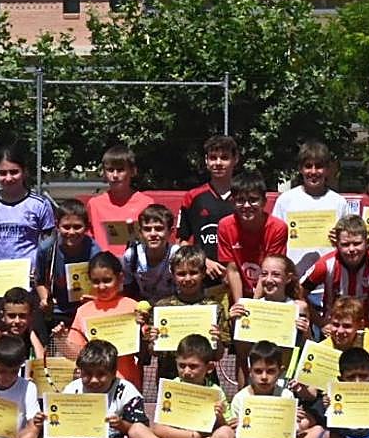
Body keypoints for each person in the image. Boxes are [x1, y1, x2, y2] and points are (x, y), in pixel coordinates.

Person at [0, 145, 54, 318]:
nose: (8, 178)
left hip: (28, 285)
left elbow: (49, 250)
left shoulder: (40, 205)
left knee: (27, 332)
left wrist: (42, 278)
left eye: (14, 172)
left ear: (25, 172)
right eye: (2, 173)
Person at [130, 333, 232, 438]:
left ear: (209, 368)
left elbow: (226, 431)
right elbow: (159, 430)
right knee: (136, 430)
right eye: (182, 366)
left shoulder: (216, 392)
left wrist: (219, 417)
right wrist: (195, 435)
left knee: (226, 434)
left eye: (193, 366)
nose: (186, 371)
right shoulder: (171, 388)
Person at [60, 339, 150, 438]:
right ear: (80, 371)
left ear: (113, 373)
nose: (94, 380)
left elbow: (141, 428)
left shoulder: (127, 391)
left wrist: (121, 424)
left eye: (101, 374)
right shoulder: (72, 389)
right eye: (88, 374)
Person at [66, 252, 151, 391]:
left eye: (107, 280)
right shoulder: (83, 311)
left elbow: (145, 354)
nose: (101, 286)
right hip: (94, 384)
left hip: (127, 383)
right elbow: (76, 353)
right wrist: (60, 338)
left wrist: (141, 332)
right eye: (96, 281)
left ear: (120, 278)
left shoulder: (133, 306)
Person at [229, 340, 320, 438]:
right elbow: (238, 434)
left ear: (280, 371)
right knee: (236, 437)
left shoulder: (286, 395)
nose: (264, 377)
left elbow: (290, 432)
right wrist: (240, 425)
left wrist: (295, 420)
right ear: (250, 371)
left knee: (317, 431)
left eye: (270, 371)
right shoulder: (240, 398)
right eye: (258, 371)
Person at [272, 140, 351, 282]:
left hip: (329, 280)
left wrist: (339, 239)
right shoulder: (285, 200)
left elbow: (349, 243)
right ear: (300, 169)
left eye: (319, 166)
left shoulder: (339, 202)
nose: (313, 172)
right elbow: (274, 241)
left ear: (327, 169)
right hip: (294, 280)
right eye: (308, 166)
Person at [149, 245, 229, 382]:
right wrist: (153, 341)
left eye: (193, 272)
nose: (187, 278)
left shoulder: (214, 308)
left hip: (205, 381)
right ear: (172, 274)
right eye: (181, 273)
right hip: (169, 378)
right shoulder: (162, 308)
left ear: (203, 273)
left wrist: (218, 340)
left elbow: (217, 356)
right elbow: (154, 352)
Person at [218, 170, 288, 321]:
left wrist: (255, 307)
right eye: (240, 200)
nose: (247, 205)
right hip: (240, 292)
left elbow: (269, 270)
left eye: (253, 200)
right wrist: (240, 306)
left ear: (264, 201)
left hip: (270, 293)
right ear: (233, 202)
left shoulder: (278, 227)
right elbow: (233, 269)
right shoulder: (225, 225)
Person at [301, 215, 369, 328]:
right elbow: (299, 294)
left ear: (367, 242)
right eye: (345, 244)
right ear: (336, 244)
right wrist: (321, 323)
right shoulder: (325, 265)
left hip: (368, 329)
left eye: (357, 243)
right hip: (334, 329)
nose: (351, 249)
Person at [178, 135, 239, 282]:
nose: (218, 163)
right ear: (206, 161)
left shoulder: (244, 197)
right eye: (213, 158)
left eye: (224, 157)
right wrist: (203, 261)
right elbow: (182, 241)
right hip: (203, 279)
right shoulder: (192, 197)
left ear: (235, 159)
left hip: (239, 278)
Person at [34, 198, 99, 329]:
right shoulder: (47, 249)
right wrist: (44, 298)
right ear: (57, 226)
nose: (71, 232)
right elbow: (39, 280)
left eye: (77, 227)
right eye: (66, 227)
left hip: (84, 309)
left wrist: (94, 297)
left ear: (86, 227)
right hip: (57, 310)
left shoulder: (94, 251)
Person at [86, 144, 153, 254]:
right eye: (110, 170)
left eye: (121, 170)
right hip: (104, 267)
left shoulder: (146, 203)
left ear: (132, 171)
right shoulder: (94, 205)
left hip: (136, 267)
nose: (115, 175)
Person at [122, 204, 180, 305]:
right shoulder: (132, 256)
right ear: (140, 232)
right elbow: (128, 289)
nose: (153, 234)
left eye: (159, 229)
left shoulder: (177, 255)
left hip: (172, 306)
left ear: (171, 231)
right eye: (147, 229)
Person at [0, 287, 44, 361]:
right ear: (3, 316)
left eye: (22, 316)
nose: (17, 321)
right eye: (11, 316)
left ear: (30, 316)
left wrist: (31, 332)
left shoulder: (37, 337)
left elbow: (42, 362)